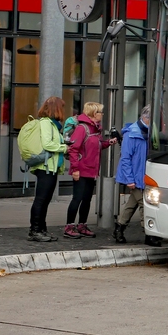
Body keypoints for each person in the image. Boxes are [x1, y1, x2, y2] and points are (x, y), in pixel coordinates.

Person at [63, 102, 115, 239]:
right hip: (81, 170)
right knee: (77, 198)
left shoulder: (95, 129)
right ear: (93, 113)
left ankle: (82, 225)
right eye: (100, 112)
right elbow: (73, 149)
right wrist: (75, 169)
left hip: (92, 170)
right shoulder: (82, 128)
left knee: (86, 199)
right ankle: (69, 226)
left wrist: (108, 143)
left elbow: (96, 146)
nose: (102, 115)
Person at [114, 106, 161, 246]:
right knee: (144, 204)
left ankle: (119, 228)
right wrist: (129, 180)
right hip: (134, 177)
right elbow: (125, 159)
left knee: (132, 204)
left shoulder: (146, 132)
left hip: (143, 177)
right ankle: (149, 233)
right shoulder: (132, 134)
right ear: (147, 118)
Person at [27, 96, 69, 242]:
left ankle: (41, 229)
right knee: (41, 199)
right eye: (62, 107)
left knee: (45, 199)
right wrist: (65, 147)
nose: (64, 110)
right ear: (57, 108)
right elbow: (47, 144)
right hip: (46, 166)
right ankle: (35, 231)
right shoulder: (46, 123)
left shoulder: (53, 124)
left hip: (51, 166)